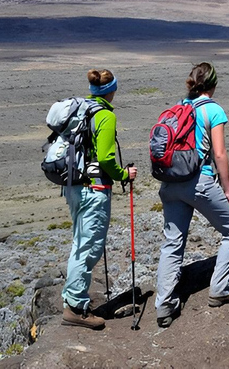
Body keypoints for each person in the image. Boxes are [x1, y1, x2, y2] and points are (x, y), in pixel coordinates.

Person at [155, 62, 229, 328]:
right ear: (213, 85)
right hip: (199, 182)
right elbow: (219, 154)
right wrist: (227, 190)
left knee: (172, 243)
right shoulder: (213, 110)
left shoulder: (179, 106)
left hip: (170, 183)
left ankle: (164, 306)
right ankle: (221, 288)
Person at [62, 69, 138, 329]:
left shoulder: (82, 110)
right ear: (112, 91)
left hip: (73, 186)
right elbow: (106, 158)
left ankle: (73, 302)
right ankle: (76, 308)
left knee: (80, 243)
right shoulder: (104, 116)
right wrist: (123, 174)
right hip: (93, 189)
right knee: (89, 248)